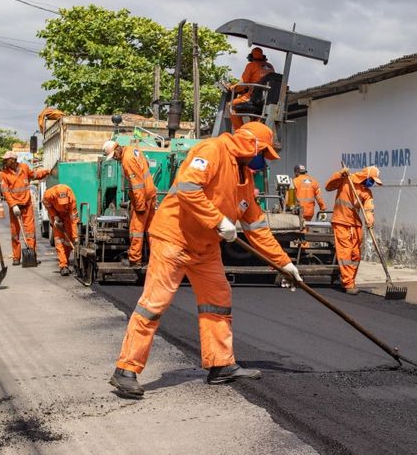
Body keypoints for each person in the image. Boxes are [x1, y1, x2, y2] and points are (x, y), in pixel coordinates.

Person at [109, 122, 303, 398]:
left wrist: (284, 264)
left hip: (205, 248)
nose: (262, 162)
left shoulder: (244, 177)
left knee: (218, 301)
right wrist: (218, 220)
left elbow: (257, 227)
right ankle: (125, 370)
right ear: (250, 145)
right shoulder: (212, 150)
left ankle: (221, 364)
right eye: (263, 154)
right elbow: (189, 189)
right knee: (154, 304)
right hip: (173, 239)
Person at [325, 165, 382, 295]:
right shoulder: (346, 179)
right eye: (371, 180)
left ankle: (349, 278)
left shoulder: (366, 192)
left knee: (356, 255)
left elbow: (369, 208)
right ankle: (348, 283)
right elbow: (328, 186)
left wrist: (369, 220)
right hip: (341, 221)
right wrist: (340, 174)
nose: (372, 183)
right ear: (365, 176)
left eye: (374, 181)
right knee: (346, 253)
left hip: (355, 224)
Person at [103, 140, 157, 268]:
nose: (115, 159)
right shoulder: (132, 150)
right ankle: (156, 258)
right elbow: (146, 167)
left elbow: (137, 184)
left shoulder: (127, 160)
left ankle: (135, 260)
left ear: (117, 149)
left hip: (142, 197)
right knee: (151, 230)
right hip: (150, 193)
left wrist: (139, 206)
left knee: (136, 230)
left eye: (114, 156)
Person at [0, 151, 50, 265]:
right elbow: (5, 192)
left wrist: (47, 172)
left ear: (13, 160)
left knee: (30, 232)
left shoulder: (24, 168)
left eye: (6, 159)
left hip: (26, 205)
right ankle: (16, 257)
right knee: (14, 233)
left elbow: (35, 175)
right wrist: (13, 205)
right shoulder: (4, 173)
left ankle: (32, 256)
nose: (4, 161)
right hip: (15, 207)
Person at [227, 47, 275, 131]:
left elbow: (242, 85)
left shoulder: (251, 65)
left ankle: (240, 132)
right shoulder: (270, 66)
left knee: (231, 106)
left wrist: (231, 87)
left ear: (251, 57)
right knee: (255, 111)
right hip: (268, 100)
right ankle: (254, 125)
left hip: (254, 98)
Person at [42, 183, 79, 276]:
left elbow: (74, 219)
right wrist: (54, 216)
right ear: (56, 195)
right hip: (56, 215)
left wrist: (75, 237)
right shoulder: (49, 194)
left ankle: (65, 260)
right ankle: (63, 266)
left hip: (67, 217)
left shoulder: (71, 197)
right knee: (59, 240)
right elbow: (46, 203)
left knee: (68, 241)